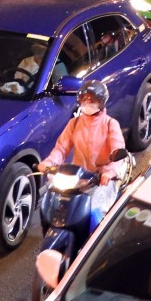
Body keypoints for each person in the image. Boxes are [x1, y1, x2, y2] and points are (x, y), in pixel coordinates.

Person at [37, 80, 126, 227]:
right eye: (84, 99)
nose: (87, 103)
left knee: (96, 219)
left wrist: (109, 172)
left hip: (100, 179)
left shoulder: (110, 124)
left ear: (101, 102)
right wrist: (48, 163)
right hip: (77, 178)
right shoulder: (74, 123)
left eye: (92, 100)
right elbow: (61, 148)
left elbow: (117, 150)